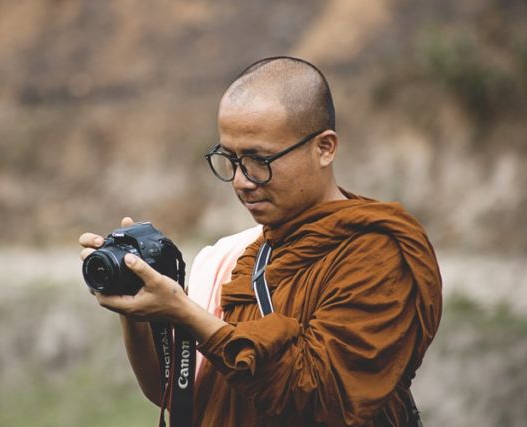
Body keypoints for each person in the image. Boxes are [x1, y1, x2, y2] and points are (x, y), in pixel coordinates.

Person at [79, 56, 442, 426]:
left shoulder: (376, 253)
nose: (241, 180)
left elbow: (323, 397)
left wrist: (184, 313)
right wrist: (136, 306)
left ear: (325, 148)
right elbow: (172, 393)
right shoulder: (233, 256)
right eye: (230, 159)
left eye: (258, 160)